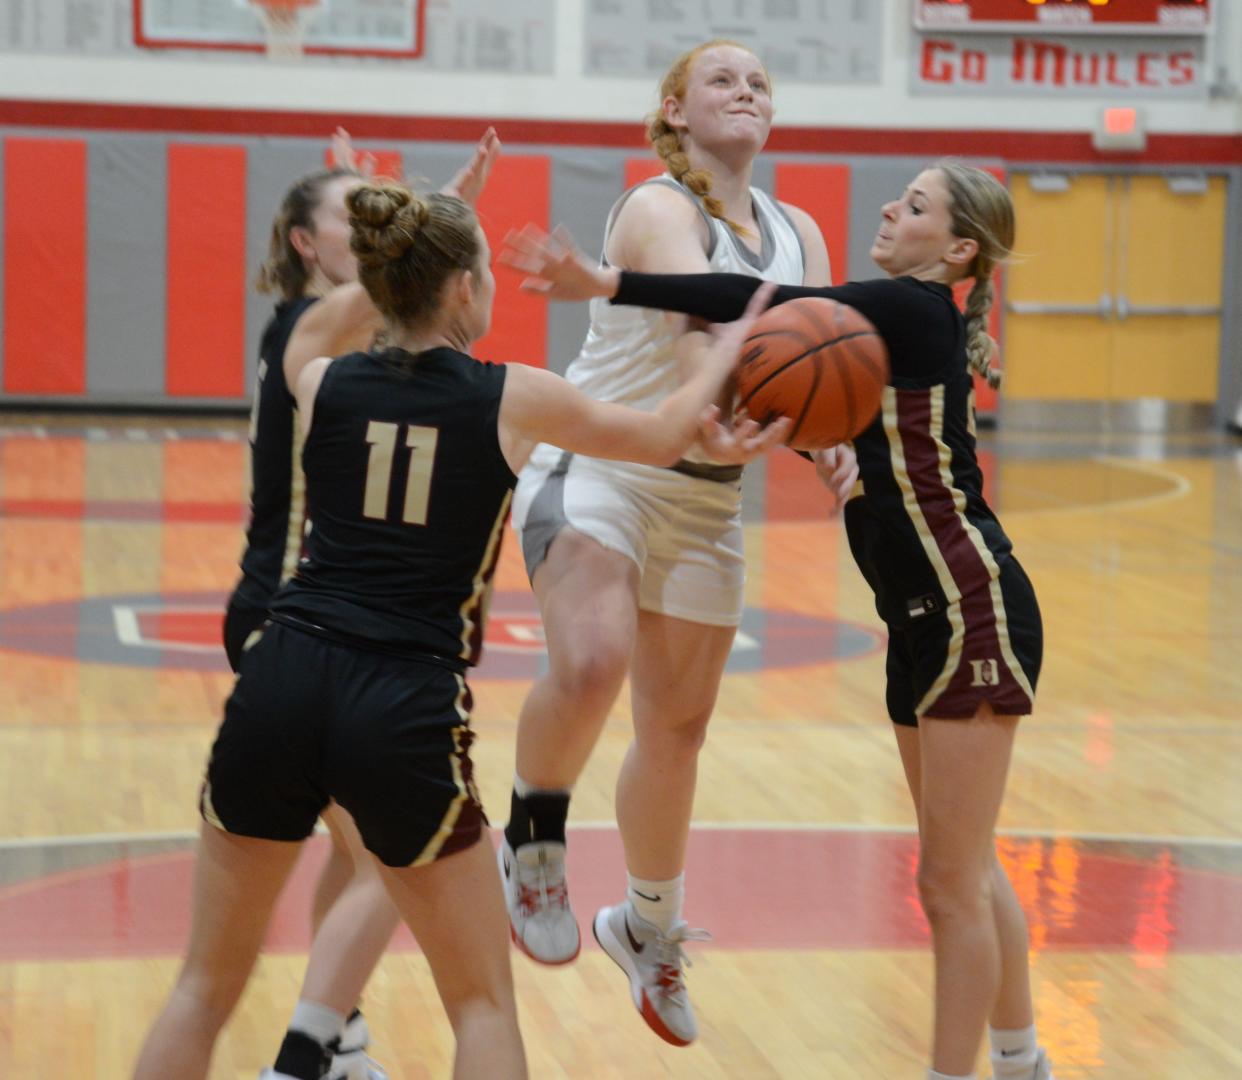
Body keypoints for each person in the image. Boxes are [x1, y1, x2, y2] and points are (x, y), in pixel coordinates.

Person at [131, 177, 775, 1080]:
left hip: (281, 677)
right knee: (479, 1003)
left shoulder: (320, 380)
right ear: (467, 289)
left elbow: (311, 330)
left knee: (201, 987)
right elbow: (668, 433)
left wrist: (412, 232)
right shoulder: (513, 396)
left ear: (385, 283)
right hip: (401, 703)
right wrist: (731, 345)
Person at [501, 160, 1055, 1080]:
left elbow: (750, 297)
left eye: (914, 205)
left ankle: (972, 1069)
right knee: (965, 867)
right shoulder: (907, 322)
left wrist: (609, 283)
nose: (888, 206)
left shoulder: (913, 308)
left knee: (949, 883)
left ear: (958, 249)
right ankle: (1023, 1058)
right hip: (922, 616)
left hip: (968, 605)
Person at [496, 38, 832, 1050]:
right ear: (677, 111)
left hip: (706, 497)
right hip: (602, 466)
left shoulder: (797, 228)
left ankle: (645, 925)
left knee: (676, 732)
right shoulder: (656, 206)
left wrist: (829, 444)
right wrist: (608, 278)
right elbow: (712, 318)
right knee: (592, 659)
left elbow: (808, 354)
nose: (747, 91)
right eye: (723, 79)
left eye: (760, 82)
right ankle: (533, 837)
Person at [220, 130, 500, 1079]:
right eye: (355, 208)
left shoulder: (343, 331)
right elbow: (391, 289)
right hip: (293, 612)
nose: (372, 220)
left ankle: (337, 1038)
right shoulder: (314, 332)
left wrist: (425, 213)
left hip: (302, 615)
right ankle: (313, 1044)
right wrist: (431, 223)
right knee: (393, 846)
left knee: (363, 851)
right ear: (307, 241)